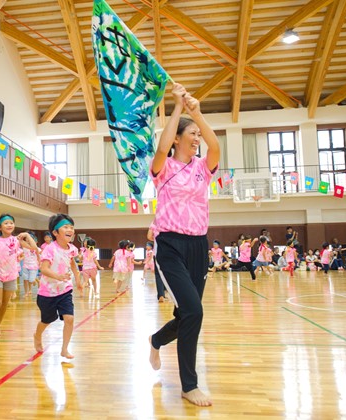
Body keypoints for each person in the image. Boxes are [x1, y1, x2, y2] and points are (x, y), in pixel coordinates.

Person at [148, 83, 219, 407]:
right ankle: (189, 385)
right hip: (171, 245)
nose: (197, 138)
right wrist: (177, 106)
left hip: (198, 246)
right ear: (177, 138)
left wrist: (197, 113)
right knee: (194, 310)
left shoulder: (203, 169)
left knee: (188, 313)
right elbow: (161, 149)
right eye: (191, 134)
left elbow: (215, 145)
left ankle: (157, 339)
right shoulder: (165, 169)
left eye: (197, 135)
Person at [33, 214, 81, 359]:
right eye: (66, 227)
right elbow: (44, 268)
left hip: (65, 290)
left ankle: (64, 349)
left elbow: (72, 262)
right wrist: (58, 276)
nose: (70, 230)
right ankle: (37, 335)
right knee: (47, 320)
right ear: (55, 232)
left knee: (69, 319)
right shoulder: (50, 249)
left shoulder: (72, 248)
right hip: (47, 293)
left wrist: (77, 279)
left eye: (72, 227)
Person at [0, 214, 38, 337]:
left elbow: (34, 248)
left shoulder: (16, 241)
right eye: (6, 223)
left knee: (5, 303)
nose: (9, 225)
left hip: (11, 275)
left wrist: (27, 235)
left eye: (11, 223)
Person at [21, 231, 40, 297]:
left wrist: (40, 263)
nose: (28, 241)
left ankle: (35, 281)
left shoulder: (37, 249)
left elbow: (39, 256)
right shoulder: (24, 247)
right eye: (27, 239)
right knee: (25, 279)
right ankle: (26, 292)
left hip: (33, 266)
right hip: (25, 265)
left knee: (31, 280)